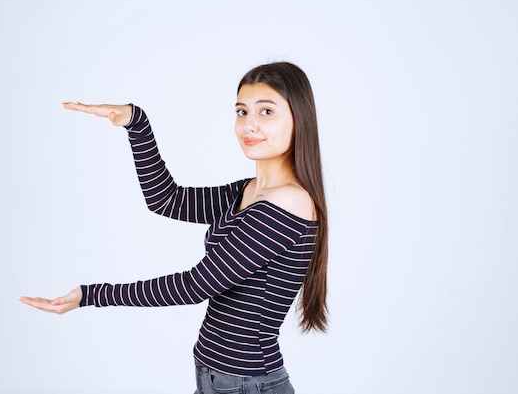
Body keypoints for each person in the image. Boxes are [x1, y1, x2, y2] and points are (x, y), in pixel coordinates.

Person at [20, 62, 328, 394]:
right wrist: (136, 123)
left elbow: (196, 285)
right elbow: (167, 200)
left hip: (248, 384)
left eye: (266, 111)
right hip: (219, 379)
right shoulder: (248, 191)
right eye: (241, 112)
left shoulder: (289, 204)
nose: (249, 125)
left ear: (299, 118)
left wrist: (92, 295)